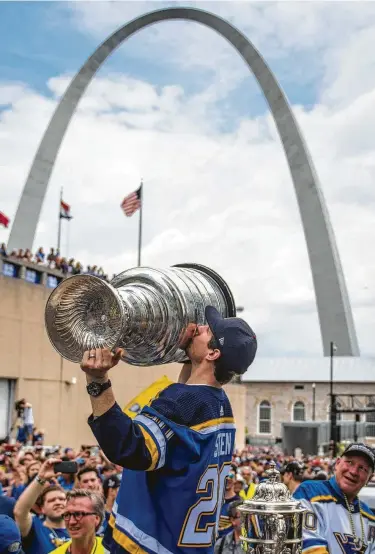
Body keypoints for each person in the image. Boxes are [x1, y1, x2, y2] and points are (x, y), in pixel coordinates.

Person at [80, 305, 257, 554]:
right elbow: (185, 402)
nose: (200, 327)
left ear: (213, 353)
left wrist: (97, 380)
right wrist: (187, 354)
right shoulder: (219, 403)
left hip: (149, 545)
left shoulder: (185, 403)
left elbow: (128, 448)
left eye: (208, 330)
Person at [294, 443, 375, 554]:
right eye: (350, 462)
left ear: (369, 478)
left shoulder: (370, 517)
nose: (353, 472)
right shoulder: (310, 492)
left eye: (362, 468)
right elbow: (309, 548)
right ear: (337, 463)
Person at [14, 458, 70, 553]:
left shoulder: (77, 529)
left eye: (62, 499)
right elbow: (19, 511)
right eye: (51, 500)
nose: (58, 502)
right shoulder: (35, 526)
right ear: (42, 508)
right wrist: (41, 477)